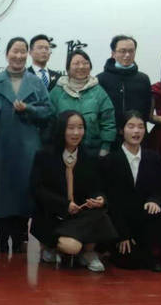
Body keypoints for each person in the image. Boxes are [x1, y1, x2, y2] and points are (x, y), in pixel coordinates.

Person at [30, 111, 117, 272]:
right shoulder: (44, 155)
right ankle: (53, 247)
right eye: (70, 128)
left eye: (80, 127)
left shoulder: (89, 157)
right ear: (61, 129)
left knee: (101, 214)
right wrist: (64, 205)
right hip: (53, 215)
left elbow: (97, 188)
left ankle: (88, 252)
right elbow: (37, 190)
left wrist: (99, 199)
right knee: (72, 246)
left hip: (80, 216)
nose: (76, 133)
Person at [0, 37, 53, 253]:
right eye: (14, 51)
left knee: (24, 189)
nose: (18, 56)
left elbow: (48, 110)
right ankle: (2, 237)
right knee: (2, 190)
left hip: (28, 144)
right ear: (6, 54)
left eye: (22, 51)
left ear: (28, 54)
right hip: (1, 143)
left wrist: (29, 108)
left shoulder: (36, 82)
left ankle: (19, 238)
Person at [100, 111, 161, 272]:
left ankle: (150, 252)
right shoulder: (110, 161)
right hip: (121, 221)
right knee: (128, 263)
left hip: (144, 219)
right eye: (131, 126)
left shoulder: (153, 158)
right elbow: (112, 201)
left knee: (154, 211)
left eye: (140, 127)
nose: (136, 131)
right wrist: (123, 234)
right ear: (121, 130)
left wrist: (155, 200)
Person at [48, 50, 116, 155]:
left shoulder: (99, 92)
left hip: (93, 151)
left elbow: (108, 122)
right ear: (68, 67)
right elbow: (49, 122)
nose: (81, 67)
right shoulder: (57, 92)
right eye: (76, 63)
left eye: (85, 63)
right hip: (62, 150)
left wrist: (105, 148)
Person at [97, 35, 152, 132]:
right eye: (123, 51)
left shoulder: (143, 79)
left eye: (131, 51)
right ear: (113, 53)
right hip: (110, 134)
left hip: (137, 134)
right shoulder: (101, 79)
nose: (127, 55)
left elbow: (147, 112)